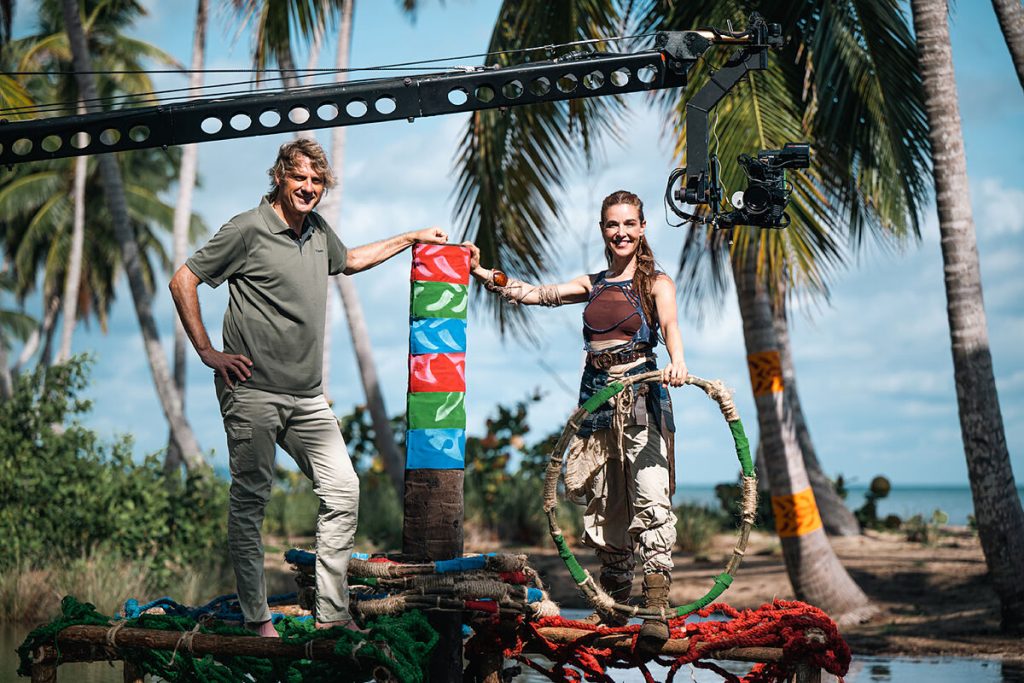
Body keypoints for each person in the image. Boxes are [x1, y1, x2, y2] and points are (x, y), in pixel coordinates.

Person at [169, 138, 448, 637]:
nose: (309, 188)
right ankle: (257, 620)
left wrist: (410, 237)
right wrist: (208, 352)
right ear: (280, 176)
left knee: (344, 489)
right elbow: (183, 280)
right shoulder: (247, 229)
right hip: (251, 391)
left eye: (318, 181)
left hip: (307, 397)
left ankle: (331, 615)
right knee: (251, 501)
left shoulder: (318, 231)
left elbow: (352, 260)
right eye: (301, 178)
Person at [465, 189, 687, 650]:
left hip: (642, 396)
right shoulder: (594, 283)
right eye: (612, 224)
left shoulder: (656, 284)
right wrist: (483, 272)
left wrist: (679, 361)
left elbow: (670, 329)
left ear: (643, 228)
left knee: (649, 494)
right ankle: (614, 604)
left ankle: (657, 610)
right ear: (603, 229)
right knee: (606, 504)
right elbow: (536, 293)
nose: (621, 232)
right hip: (596, 402)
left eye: (629, 224)